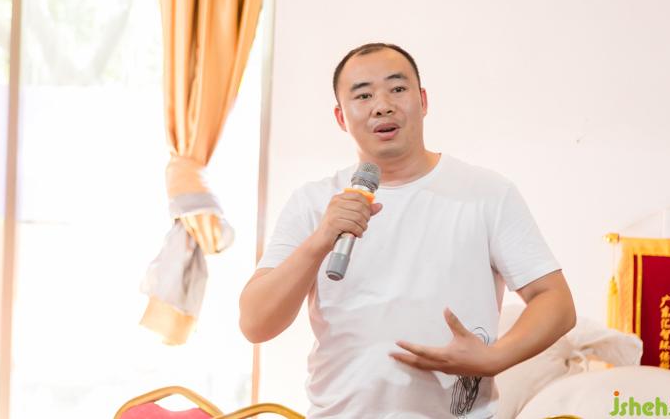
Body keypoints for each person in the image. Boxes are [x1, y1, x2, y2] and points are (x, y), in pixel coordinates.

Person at [239, 43, 576, 418]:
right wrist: (321, 239)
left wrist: (494, 358)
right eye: (363, 95)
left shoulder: (487, 193)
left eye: (397, 89)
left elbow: (556, 301)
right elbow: (256, 323)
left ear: (423, 101)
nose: (382, 106)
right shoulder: (313, 202)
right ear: (340, 117)